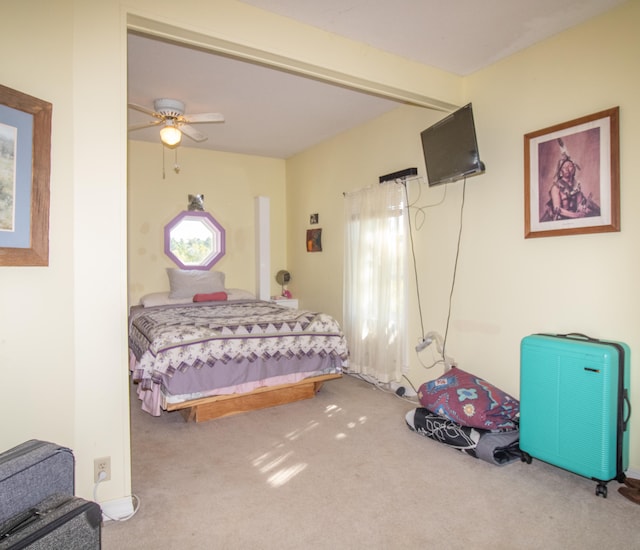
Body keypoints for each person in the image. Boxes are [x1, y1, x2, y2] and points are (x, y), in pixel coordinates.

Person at [540, 140, 600, 222]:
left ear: (574, 169)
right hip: (561, 220)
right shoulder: (556, 187)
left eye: (570, 166)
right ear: (560, 172)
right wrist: (575, 216)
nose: (568, 169)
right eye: (564, 167)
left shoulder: (576, 186)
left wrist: (582, 209)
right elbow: (557, 209)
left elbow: (579, 203)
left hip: (574, 219)